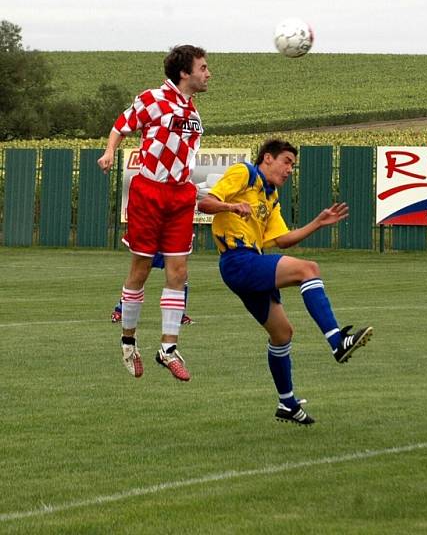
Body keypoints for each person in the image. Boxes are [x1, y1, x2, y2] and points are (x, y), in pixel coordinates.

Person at [197, 139, 373, 426]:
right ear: (267, 158)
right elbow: (205, 203)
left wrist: (317, 223)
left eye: (293, 164)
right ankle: (337, 342)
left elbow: (282, 240)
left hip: (250, 262)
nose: (290, 169)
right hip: (238, 261)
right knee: (309, 269)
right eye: (287, 161)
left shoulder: (271, 195)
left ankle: (287, 403)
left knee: (282, 334)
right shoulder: (245, 173)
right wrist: (232, 206)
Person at [98, 45, 211, 382]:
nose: (208, 73)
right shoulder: (153, 98)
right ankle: (129, 343)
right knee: (141, 269)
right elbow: (122, 124)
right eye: (203, 67)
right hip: (149, 193)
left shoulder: (193, 112)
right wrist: (109, 153)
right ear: (184, 73)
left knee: (178, 271)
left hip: (180, 195)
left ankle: (168, 349)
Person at [111, 252, 192, 325]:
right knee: (138, 276)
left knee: (180, 277)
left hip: (171, 242)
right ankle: (120, 310)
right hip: (151, 242)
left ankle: (179, 315)